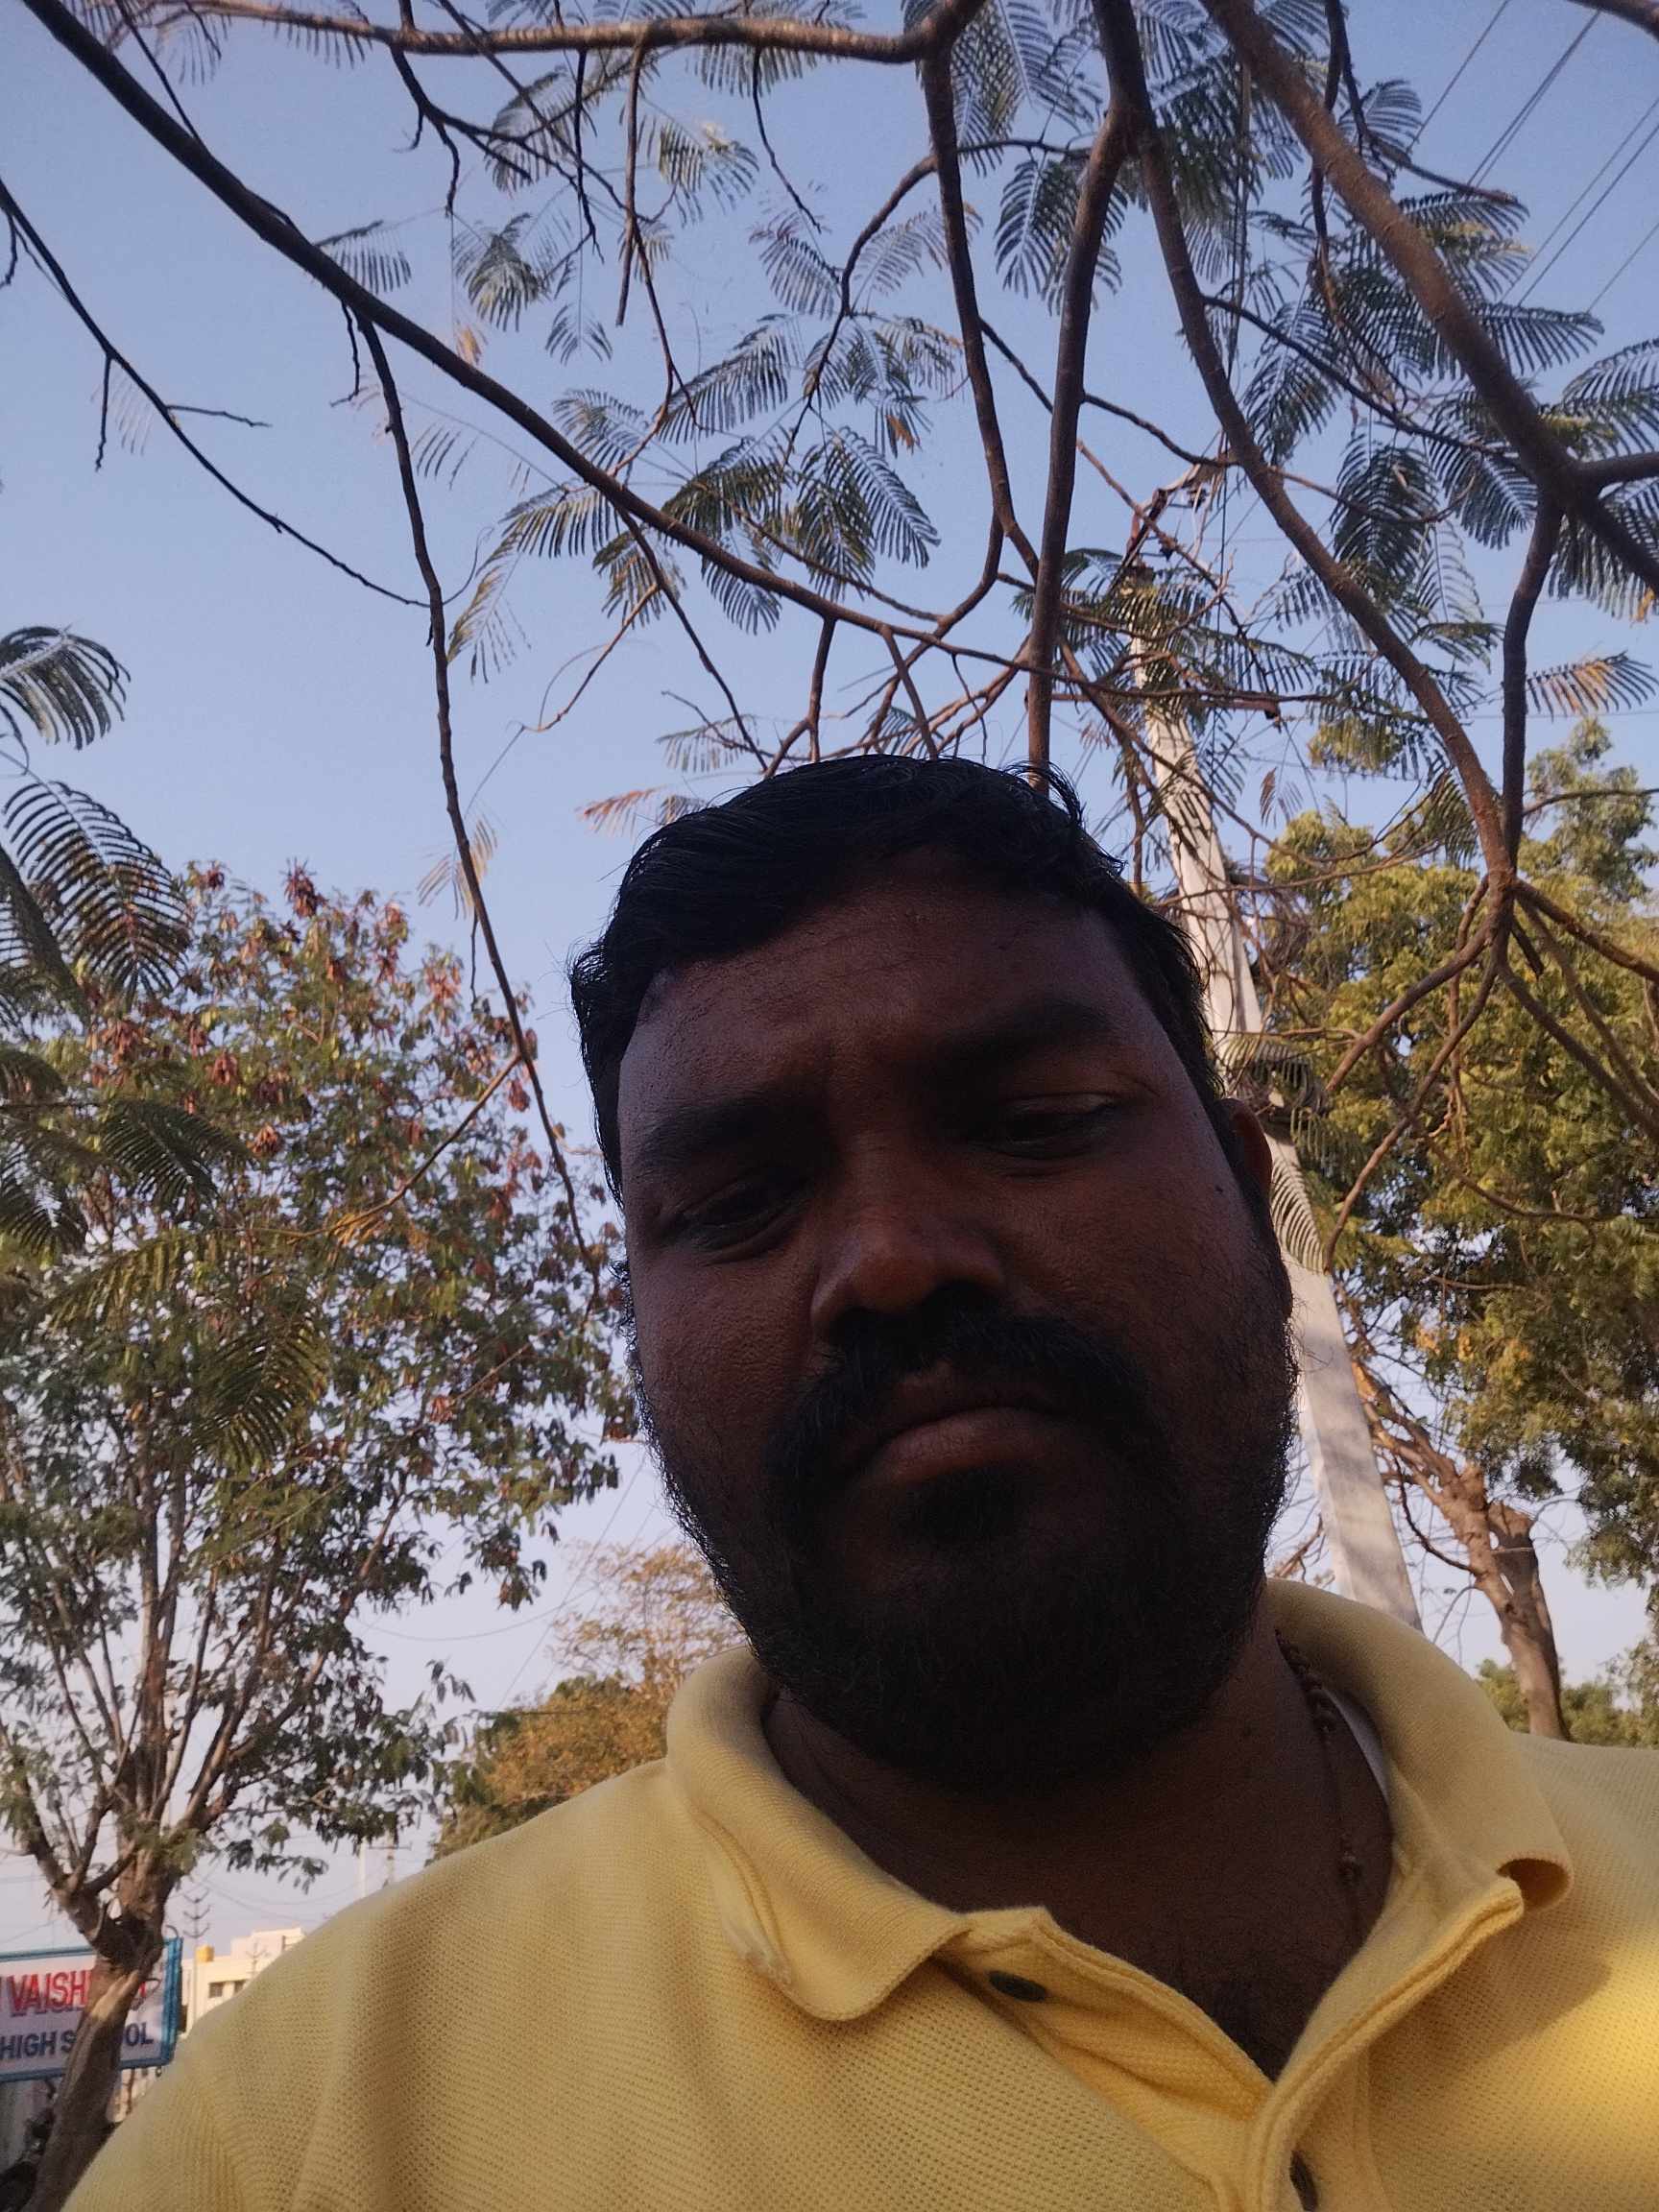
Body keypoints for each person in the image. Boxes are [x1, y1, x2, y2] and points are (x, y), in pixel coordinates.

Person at [73, 759, 1659, 2210]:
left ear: (1254, 1199)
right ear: (639, 1334)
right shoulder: (301, 2132)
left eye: (1033, 1125)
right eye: (738, 1204)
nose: (894, 1261)